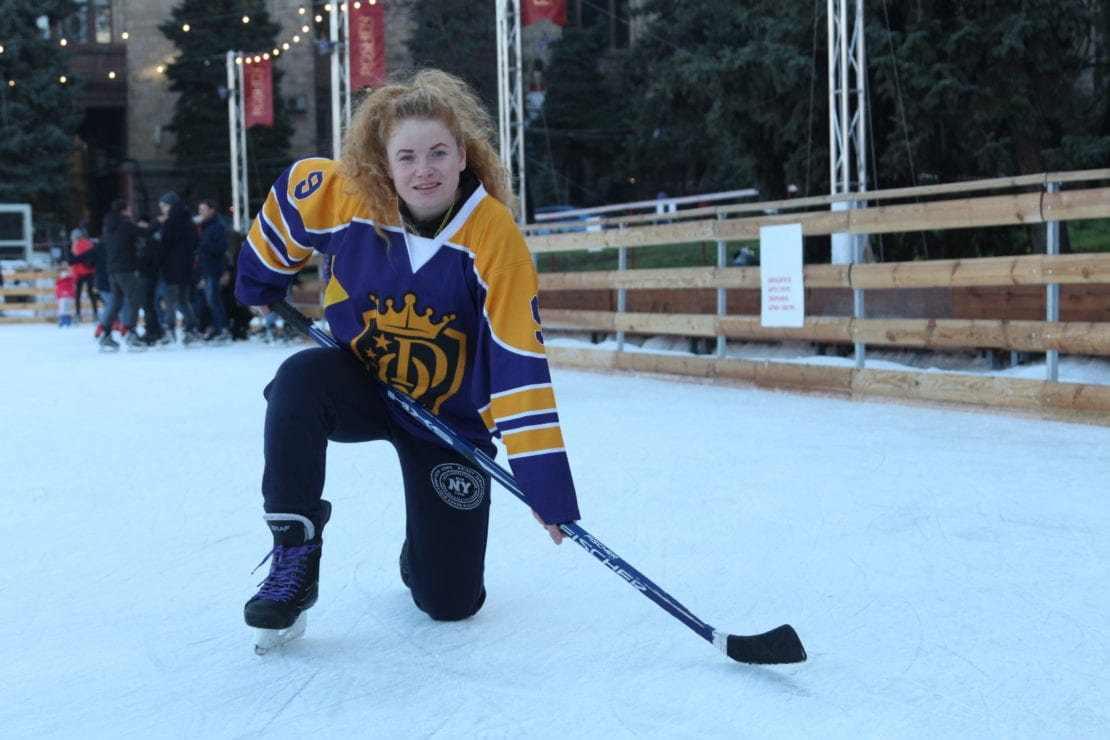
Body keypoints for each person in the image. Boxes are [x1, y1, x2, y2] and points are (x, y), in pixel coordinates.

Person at [235, 69, 581, 643]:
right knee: (298, 379)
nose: (424, 170)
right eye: (408, 156)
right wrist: (258, 279)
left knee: (451, 603)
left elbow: (518, 364)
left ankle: (424, 552)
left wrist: (545, 487)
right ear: (384, 163)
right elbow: (296, 194)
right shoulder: (351, 199)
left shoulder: (494, 240)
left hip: (446, 422)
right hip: (361, 387)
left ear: (464, 156)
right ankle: (294, 553)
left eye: (439, 152)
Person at [96, 198, 148, 350]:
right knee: (134, 298)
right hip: (126, 269)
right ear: (123, 210)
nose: (131, 212)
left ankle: (106, 334)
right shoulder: (125, 224)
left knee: (117, 302)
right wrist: (159, 223)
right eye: (130, 209)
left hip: (112, 269)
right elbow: (144, 232)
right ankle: (131, 332)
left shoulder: (108, 226)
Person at [156, 191, 200, 344]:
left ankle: (169, 330)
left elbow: (164, 246)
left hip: (172, 268)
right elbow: (195, 244)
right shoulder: (189, 222)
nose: (162, 210)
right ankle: (191, 327)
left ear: (171, 206)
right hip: (187, 267)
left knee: (171, 301)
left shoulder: (170, 223)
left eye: (163, 206)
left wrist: (158, 263)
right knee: (184, 300)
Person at [196, 199, 231, 343]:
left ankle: (222, 328)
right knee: (211, 301)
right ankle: (217, 328)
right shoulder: (205, 226)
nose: (201, 213)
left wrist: (205, 245)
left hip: (214, 269)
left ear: (212, 210)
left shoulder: (217, 227)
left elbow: (221, 247)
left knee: (214, 300)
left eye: (203, 209)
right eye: (200, 210)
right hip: (207, 268)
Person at [68, 228, 98, 322]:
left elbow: (77, 259)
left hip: (80, 272)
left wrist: (73, 270)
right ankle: (95, 314)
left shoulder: (76, 245)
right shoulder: (89, 243)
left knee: (78, 295)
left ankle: (78, 315)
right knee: (91, 294)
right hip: (90, 272)